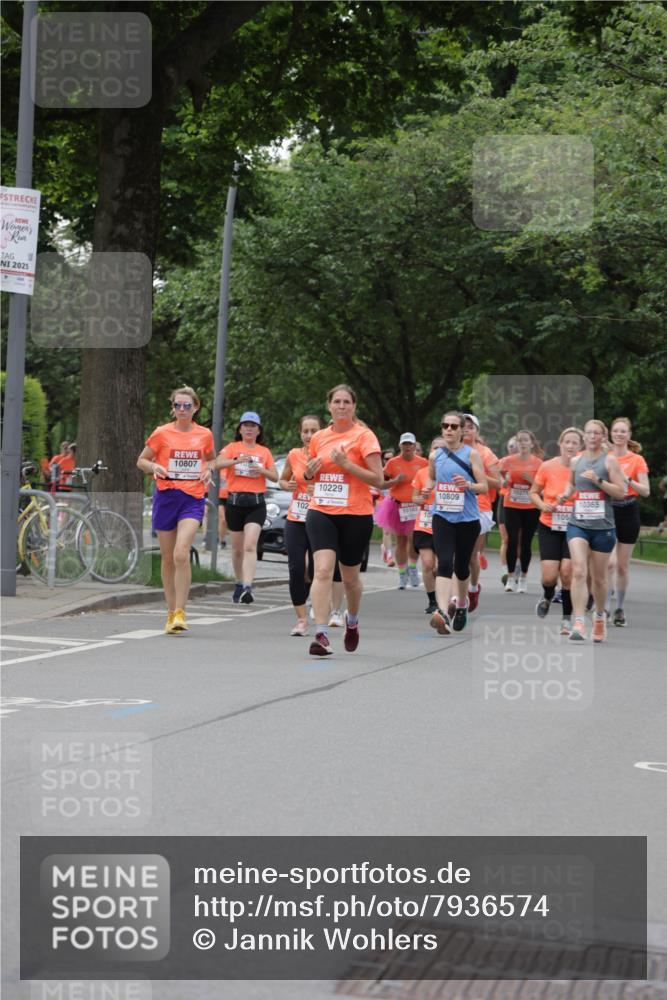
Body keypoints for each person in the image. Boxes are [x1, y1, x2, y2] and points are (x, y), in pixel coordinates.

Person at [304, 384, 383, 656]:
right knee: (323, 570)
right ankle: (321, 633)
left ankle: (352, 620)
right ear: (329, 405)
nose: (341, 406)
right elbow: (309, 475)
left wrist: (348, 464)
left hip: (356, 514)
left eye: (346, 402)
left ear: (353, 407)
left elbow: (378, 479)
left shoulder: (364, 437)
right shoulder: (319, 438)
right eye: (336, 401)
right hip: (322, 510)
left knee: (350, 579)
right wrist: (307, 473)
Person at [137, 386, 215, 634]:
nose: (183, 410)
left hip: (192, 498)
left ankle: (181, 611)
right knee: (168, 558)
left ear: (196, 407)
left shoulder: (204, 435)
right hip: (166, 496)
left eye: (187, 406)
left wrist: (208, 469)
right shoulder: (162, 433)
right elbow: (141, 460)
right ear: (173, 408)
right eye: (178, 405)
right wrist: (153, 467)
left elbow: (212, 458)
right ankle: (171, 612)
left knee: (182, 553)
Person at [561, 419, 625, 642]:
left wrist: (599, 481)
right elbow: (572, 485)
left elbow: (621, 492)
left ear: (603, 437)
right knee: (578, 570)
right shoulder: (576, 460)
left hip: (603, 527)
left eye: (597, 433)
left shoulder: (609, 461)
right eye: (589, 433)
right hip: (577, 523)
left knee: (599, 578)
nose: (592, 437)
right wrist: (564, 494)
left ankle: (598, 616)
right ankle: (578, 621)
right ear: (584, 437)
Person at [426, 412, 487, 635]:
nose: (449, 430)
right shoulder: (435, 455)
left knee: (461, 567)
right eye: (445, 426)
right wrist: (427, 487)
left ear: (462, 430)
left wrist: (468, 485)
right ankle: (442, 611)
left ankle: (461, 604)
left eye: (454, 426)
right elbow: (431, 477)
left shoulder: (472, 455)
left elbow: (485, 487)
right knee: (444, 563)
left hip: (467, 519)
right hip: (442, 516)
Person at [210, 411, 278, 604]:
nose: (249, 428)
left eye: (253, 426)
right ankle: (239, 582)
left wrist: (262, 470)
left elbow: (275, 477)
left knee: (250, 546)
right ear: (240, 429)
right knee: (237, 549)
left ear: (258, 430)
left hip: (256, 504)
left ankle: (248, 587)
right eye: (245, 425)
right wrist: (236, 461)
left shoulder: (264, 452)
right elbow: (217, 463)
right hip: (234, 503)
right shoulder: (233, 447)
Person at [529, 427, 583, 635]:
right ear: (560, 444)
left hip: (575, 527)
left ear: (580, 446)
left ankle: (567, 620)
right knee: (549, 577)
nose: (570, 446)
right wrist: (543, 505)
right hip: (549, 524)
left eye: (575, 443)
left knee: (567, 573)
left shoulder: (584, 468)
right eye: (567, 442)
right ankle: (548, 595)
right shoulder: (547, 466)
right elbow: (533, 492)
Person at [605, 417, 650, 626]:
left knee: (622, 566)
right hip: (608, 510)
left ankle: (620, 608)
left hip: (629, 510)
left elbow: (646, 491)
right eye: (616, 431)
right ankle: (603, 607)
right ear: (611, 435)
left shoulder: (637, 460)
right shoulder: (605, 457)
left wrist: (626, 478)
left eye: (623, 431)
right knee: (609, 563)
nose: (620, 435)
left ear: (629, 435)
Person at [375, 433, 428, 588]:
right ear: (400, 446)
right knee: (400, 540)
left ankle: (412, 568)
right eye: (404, 444)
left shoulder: (423, 463)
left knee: (413, 539)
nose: (407, 447)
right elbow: (381, 482)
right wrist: (395, 481)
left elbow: (429, 480)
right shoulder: (392, 463)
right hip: (397, 506)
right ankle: (402, 573)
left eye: (410, 444)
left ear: (414, 446)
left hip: (415, 506)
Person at [462, 414, 500, 613]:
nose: (466, 430)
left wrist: (477, 475)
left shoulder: (486, 454)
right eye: (463, 426)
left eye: (471, 427)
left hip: (480, 509)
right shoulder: (452, 451)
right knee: (455, 556)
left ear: (477, 431)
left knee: (470, 555)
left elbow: (499, 482)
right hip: (456, 507)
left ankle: (473, 588)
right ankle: (456, 597)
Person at [498, 430, 543, 593]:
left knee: (526, 542)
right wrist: (504, 481)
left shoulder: (538, 463)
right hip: (512, 505)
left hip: (530, 507)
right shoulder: (508, 461)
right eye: (519, 441)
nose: (522, 443)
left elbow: (543, 486)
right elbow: (497, 474)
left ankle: (523, 576)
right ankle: (511, 577)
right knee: (511, 540)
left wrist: (532, 481)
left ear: (531, 443)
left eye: (525, 440)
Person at [412, 439, 441, 615]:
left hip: (444, 524)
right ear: (429, 452)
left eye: (441, 449)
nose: (437, 452)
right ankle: (432, 601)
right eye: (435, 448)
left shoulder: (451, 473)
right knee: (428, 563)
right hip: (424, 524)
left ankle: (444, 594)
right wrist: (422, 497)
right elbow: (414, 498)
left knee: (440, 567)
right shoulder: (422, 473)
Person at [497, 436, 518, 583]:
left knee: (518, 541)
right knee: (506, 538)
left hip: (521, 506)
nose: (513, 448)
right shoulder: (503, 462)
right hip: (505, 502)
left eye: (516, 445)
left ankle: (516, 568)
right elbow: (496, 477)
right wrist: (503, 481)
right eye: (510, 446)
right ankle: (505, 572)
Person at [376, 448, 396, 566]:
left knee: (395, 532)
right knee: (387, 531)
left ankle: (384, 548)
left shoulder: (398, 471)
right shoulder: (379, 473)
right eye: (386, 459)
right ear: (382, 460)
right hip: (383, 504)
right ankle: (389, 556)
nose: (389, 461)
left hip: (397, 504)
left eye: (391, 458)